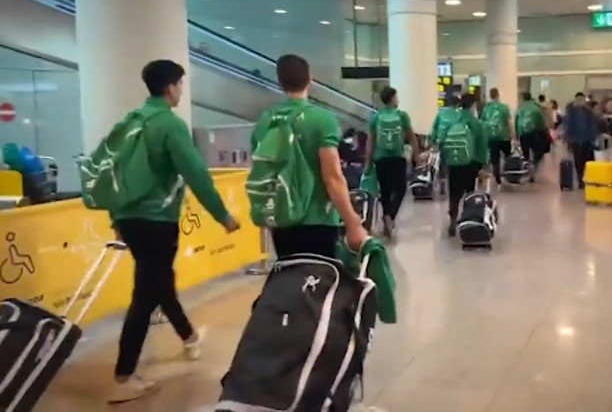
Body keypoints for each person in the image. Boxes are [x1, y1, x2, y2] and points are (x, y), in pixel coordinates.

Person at [108, 60, 241, 403]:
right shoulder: (169, 125)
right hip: (157, 220)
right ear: (170, 87)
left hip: (131, 218)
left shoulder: (131, 122)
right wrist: (222, 215)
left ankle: (188, 335)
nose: (181, 90)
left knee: (157, 282)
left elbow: (114, 173)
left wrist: (117, 218)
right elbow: (195, 173)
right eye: (181, 84)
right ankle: (123, 376)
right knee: (145, 294)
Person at [252, 53, 369, 252]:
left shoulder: (265, 121)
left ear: (280, 82)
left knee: (291, 276)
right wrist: (352, 223)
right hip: (319, 221)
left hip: (283, 220)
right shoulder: (322, 119)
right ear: (309, 80)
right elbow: (332, 177)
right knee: (320, 278)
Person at [365, 86, 420, 238]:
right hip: (397, 156)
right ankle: (390, 217)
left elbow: (370, 142)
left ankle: (387, 215)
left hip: (380, 158)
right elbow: (412, 136)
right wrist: (416, 155)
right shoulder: (402, 116)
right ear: (393, 98)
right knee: (401, 188)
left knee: (385, 190)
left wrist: (367, 163)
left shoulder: (376, 117)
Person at [442, 94, 489, 236]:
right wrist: (483, 167)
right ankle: (467, 219)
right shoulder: (476, 123)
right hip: (471, 163)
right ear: (474, 105)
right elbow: (482, 146)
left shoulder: (452, 121)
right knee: (469, 192)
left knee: (454, 192)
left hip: (454, 162)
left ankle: (453, 217)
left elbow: (443, 141)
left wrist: (445, 161)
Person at [480, 88, 516, 184]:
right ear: (498, 95)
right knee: (507, 155)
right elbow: (508, 122)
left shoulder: (486, 108)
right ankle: (510, 173)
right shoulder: (504, 107)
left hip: (491, 136)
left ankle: (497, 176)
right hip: (503, 136)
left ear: (490, 95)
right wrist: (513, 135)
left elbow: (482, 123)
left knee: (494, 158)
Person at [564, 92, 598, 189]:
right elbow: (567, 126)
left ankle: (587, 178)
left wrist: (593, 138)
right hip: (576, 140)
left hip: (587, 140)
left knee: (588, 160)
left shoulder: (588, 112)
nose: (580, 102)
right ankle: (580, 180)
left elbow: (592, 125)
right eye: (578, 100)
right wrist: (568, 139)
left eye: (582, 100)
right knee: (578, 161)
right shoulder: (571, 112)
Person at [516, 92, 549, 180]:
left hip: (523, 133)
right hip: (535, 133)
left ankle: (528, 168)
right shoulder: (536, 108)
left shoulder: (520, 108)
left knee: (525, 154)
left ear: (523, 98)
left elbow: (516, 120)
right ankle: (534, 166)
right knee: (538, 152)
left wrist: (516, 134)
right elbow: (541, 122)